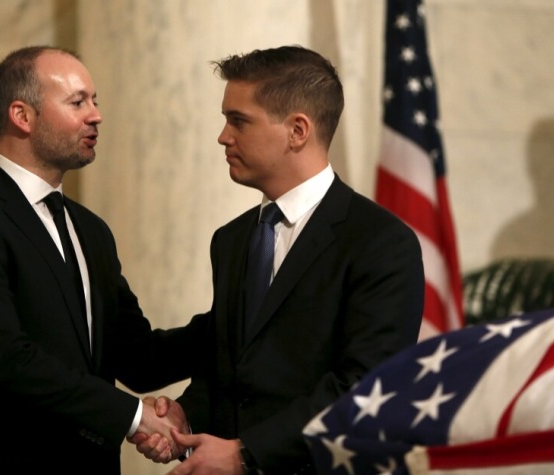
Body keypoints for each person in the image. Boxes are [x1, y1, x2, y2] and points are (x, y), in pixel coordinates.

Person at [134, 45, 425, 474]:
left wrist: (245, 453)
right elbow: (230, 365)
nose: (223, 136)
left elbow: (364, 389)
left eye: (239, 120)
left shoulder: (380, 242)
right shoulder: (232, 241)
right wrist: (185, 421)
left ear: (298, 130)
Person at [0, 45, 188, 475]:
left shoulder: (91, 230)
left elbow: (136, 357)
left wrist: (235, 318)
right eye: (78, 102)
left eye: (95, 101)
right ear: (22, 116)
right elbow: (2, 360)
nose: (95, 115)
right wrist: (134, 417)